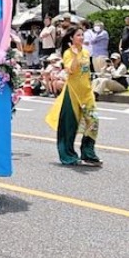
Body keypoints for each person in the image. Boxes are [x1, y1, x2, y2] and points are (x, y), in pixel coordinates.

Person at [45, 28, 102, 167]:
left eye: (82, 35)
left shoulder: (86, 52)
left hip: (86, 93)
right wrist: (75, 56)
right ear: (71, 38)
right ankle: (68, 155)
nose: (81, 37)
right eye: (78, 35)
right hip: (72, 93)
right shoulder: (67, 53)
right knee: (69, 126)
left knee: (93, 122)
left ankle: (88, 153)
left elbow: (87, 73)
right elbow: (70, 70)